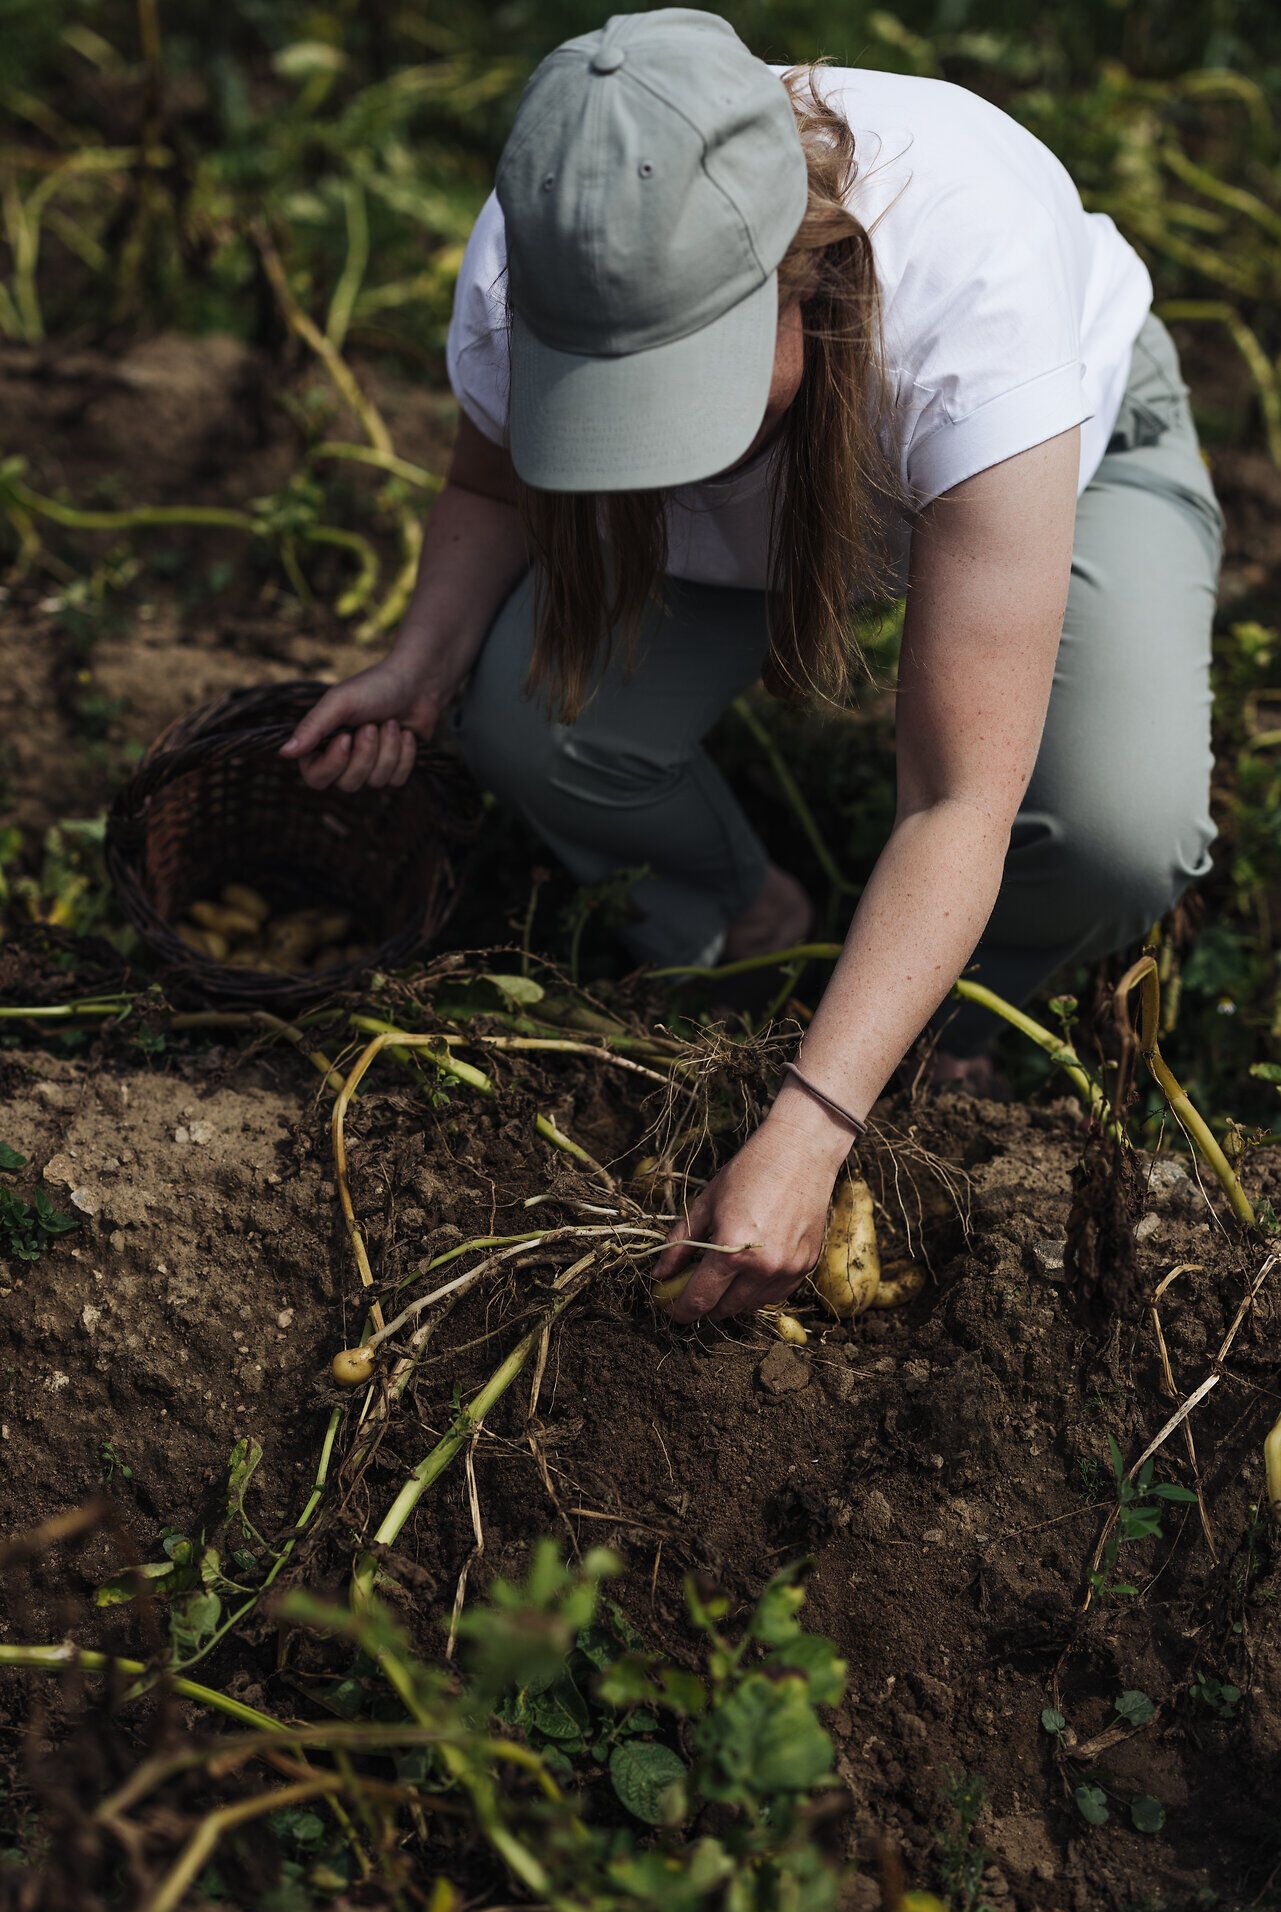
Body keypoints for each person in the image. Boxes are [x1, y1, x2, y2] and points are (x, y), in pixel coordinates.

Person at [279, 8, 1225, 1326]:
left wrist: (812, 1127)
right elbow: (489, 483)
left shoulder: (972, 295)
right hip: (769, 495)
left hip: (1047, 457)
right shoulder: (557, 239)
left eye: (681, 384)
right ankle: (745, 916)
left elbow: (956, 800)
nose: (653, 447)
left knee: (1117, 828)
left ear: (806, 272)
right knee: (527, 729)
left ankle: (960, 1016)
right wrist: (418, 666)